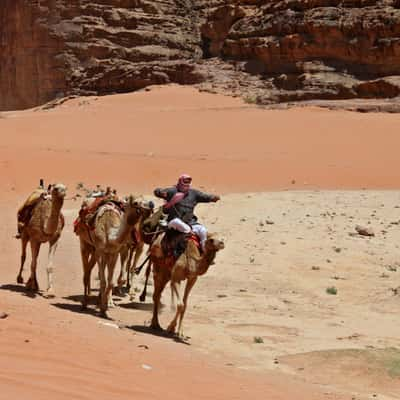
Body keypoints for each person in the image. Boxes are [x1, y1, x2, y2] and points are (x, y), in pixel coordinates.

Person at [154, 174, 220, 250]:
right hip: (174, 222)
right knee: (178, 223)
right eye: (185, 181)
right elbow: (157, 191)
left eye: (188, 181)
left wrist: (213, 198)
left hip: (190, 222)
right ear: (180, 181)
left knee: (202, 230)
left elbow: (206, 197)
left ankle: (203, 250)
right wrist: (160, 192)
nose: (187, 183)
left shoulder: (194, 193)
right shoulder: (173, 191)